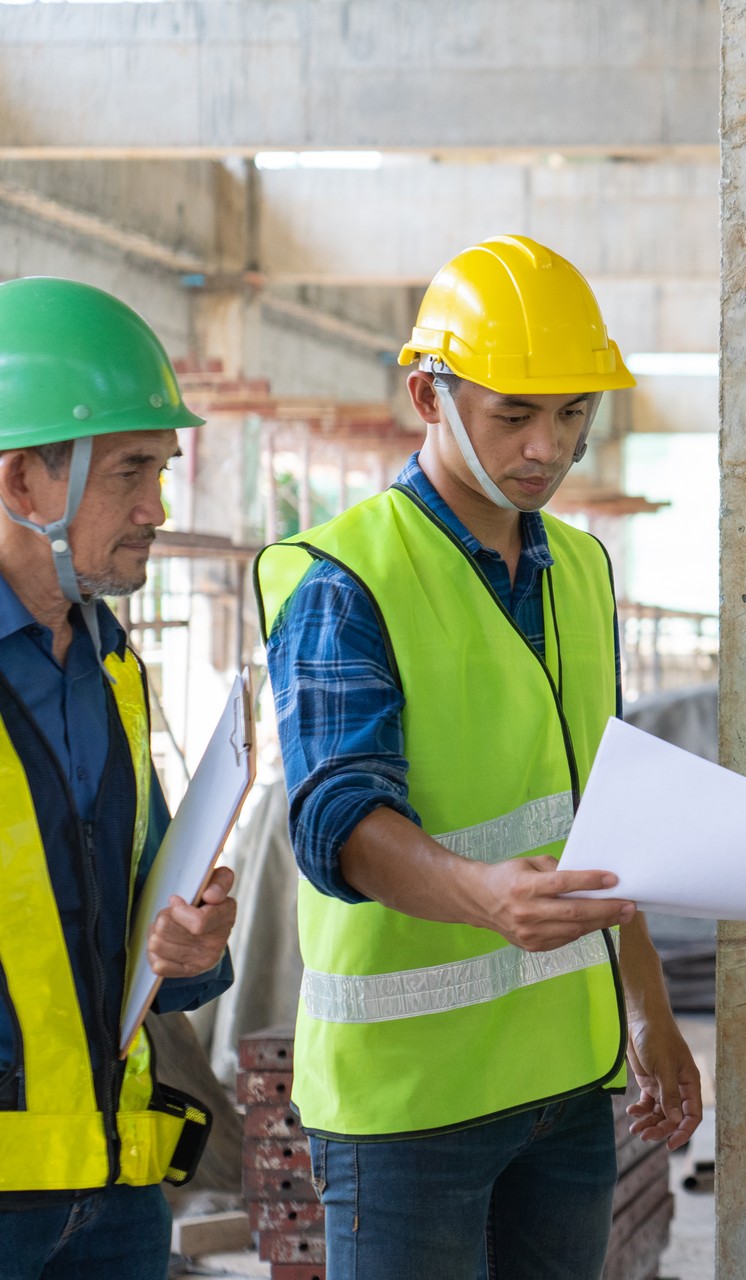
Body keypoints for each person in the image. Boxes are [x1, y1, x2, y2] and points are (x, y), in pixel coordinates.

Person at [256, 235, 701, 1279]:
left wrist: (648, 1001)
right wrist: (480, 892)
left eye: (573, 414)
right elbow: (336, 817)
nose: (547, 446)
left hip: (566, 1082)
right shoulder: (342, 577)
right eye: (513, 414)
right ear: (428, 395)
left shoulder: (581, 569)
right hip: (407, 1107)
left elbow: (605, 809)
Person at [0, 277, 237, 1279]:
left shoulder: (111, 667)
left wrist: (191, 942)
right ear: (22, 484)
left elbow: (139, 910)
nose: (158, 507)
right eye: (130, 471)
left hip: (116, 1197)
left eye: (162, 469)